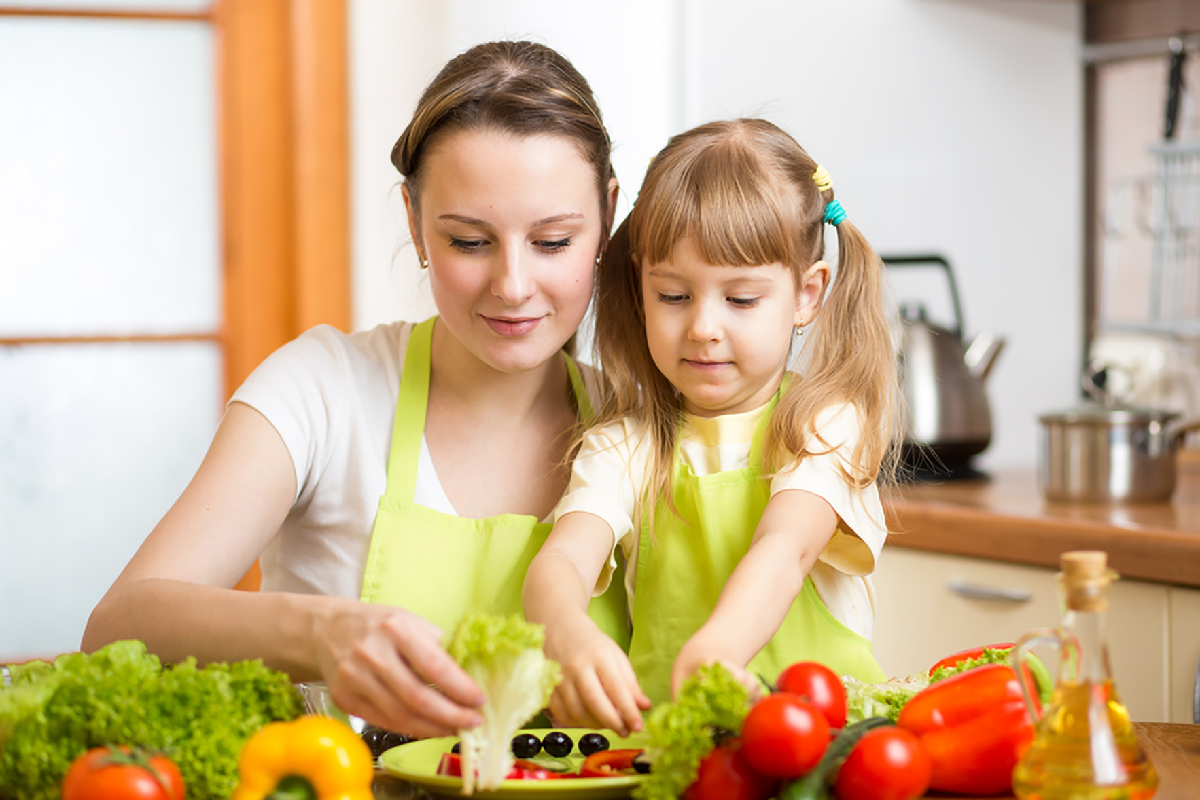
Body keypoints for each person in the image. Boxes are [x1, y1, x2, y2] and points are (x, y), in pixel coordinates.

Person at [82, 40, 630, 739]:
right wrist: (322, 631)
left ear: (606, 216)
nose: (513, 284)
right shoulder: (324, 389)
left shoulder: (637, 424)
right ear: (413, 220)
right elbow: (120, 624)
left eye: (553, 241)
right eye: (469, 241)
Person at [523, 118, 899, 735]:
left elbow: (786, 547)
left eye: (741, 299)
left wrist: (718, 648)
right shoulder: (626, 445)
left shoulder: (825, 424)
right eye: (673, 296)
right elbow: (561, 560)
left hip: (826, 749)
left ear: (807, 295)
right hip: (676, 756)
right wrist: (567, 633)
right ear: (640, 287)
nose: (703, 327)